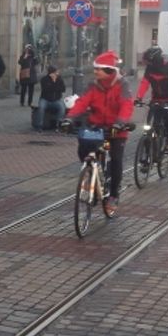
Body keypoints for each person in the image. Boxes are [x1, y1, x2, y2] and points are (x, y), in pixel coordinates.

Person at [61, 51, 135, 214]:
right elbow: (82, 102)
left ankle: (114, 195)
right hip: (96, 127)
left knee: (116, 160)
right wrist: (70, 118)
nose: (95, 72)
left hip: (116, 129)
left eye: (98, 69)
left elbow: (126, 105)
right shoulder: (93, 85)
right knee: (84, 149)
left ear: (109, 70)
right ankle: (92, 174)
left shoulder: (122, 85)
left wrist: (120, 122)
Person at [136, 46, 168, 147]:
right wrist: (139, 97)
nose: (148, 64)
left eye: (149, 61)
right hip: (156, 99)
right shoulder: (150, 69)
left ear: (155, 60)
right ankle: (149, 147)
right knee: (149, 124)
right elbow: (145, 83)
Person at [34, 65, 67, 131]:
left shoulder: (59, 79)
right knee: (41, 108)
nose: (57, 73)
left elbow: (63, 89)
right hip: (45, 99)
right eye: (56, 72)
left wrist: (55, 82)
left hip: (56, 100)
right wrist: (54, 83)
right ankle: (39, 126)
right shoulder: (44, 79)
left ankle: (58, 125)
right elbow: (46, 89)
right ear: (51, 73)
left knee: (62, 108)